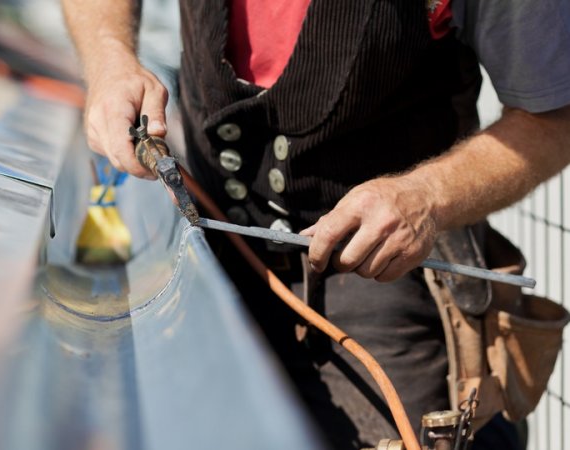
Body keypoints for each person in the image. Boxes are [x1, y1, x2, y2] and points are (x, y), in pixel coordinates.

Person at [63, 0, 570, 447]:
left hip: (385, 279)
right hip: (208, 265)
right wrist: (109, 59)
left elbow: (553, 120)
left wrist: (426, 197)